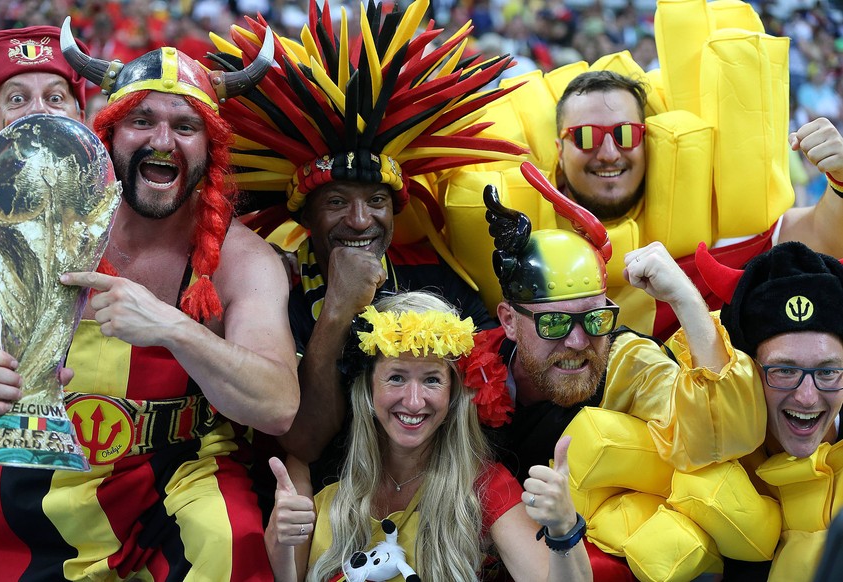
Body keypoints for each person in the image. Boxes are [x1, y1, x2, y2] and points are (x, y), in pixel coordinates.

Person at [0, 19, 298, 580]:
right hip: (47, 468)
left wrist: (175, 327)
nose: (162, 142)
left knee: (230, 537)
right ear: (111, 134)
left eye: (186, 126)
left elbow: (278, 405)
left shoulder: (245, 261)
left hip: (181, 474)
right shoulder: (44, 224)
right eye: (142, 120)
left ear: (211, 148)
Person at [210, 0, 526, 466]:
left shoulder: (436, 275)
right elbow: (303, 443)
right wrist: (335, 313)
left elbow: (494, 398)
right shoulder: (277, 292)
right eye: (337, 202)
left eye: (377, 202)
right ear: (305, 218)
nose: (361, 220)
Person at [440, 0, 843, 340]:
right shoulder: (509, 242)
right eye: (585, 137)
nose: (609, 152)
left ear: (647, 141)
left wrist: (840, 180)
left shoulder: (719, 225)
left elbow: (821, 239)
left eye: (625, 134)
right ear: (558, 151)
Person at [459, 162, 766, 579]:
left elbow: (725, 436)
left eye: (595, 318)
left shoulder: (626, 362)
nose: (578, 342)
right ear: (509, 321)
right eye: (553, 323)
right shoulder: (464, 367)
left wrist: (686, 302)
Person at [264, 291, 592, 582]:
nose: (414, 401)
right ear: (368, 387)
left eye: (432, 380)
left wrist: (564, 527)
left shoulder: (484, 486)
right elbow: (285, 575)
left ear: (453, 394)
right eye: (396, 377)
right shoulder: (324, 468)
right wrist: (281, 536)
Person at [694, 240, 843, 581]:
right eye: (784, 371)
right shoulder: (705, 460)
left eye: (828, 371)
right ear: (746, 370)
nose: (808, 396)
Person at [0, 24, 90, 314]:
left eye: (55, 98)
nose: (38, 110)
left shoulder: (110, 199)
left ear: (80, 119)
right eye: (17, 99)